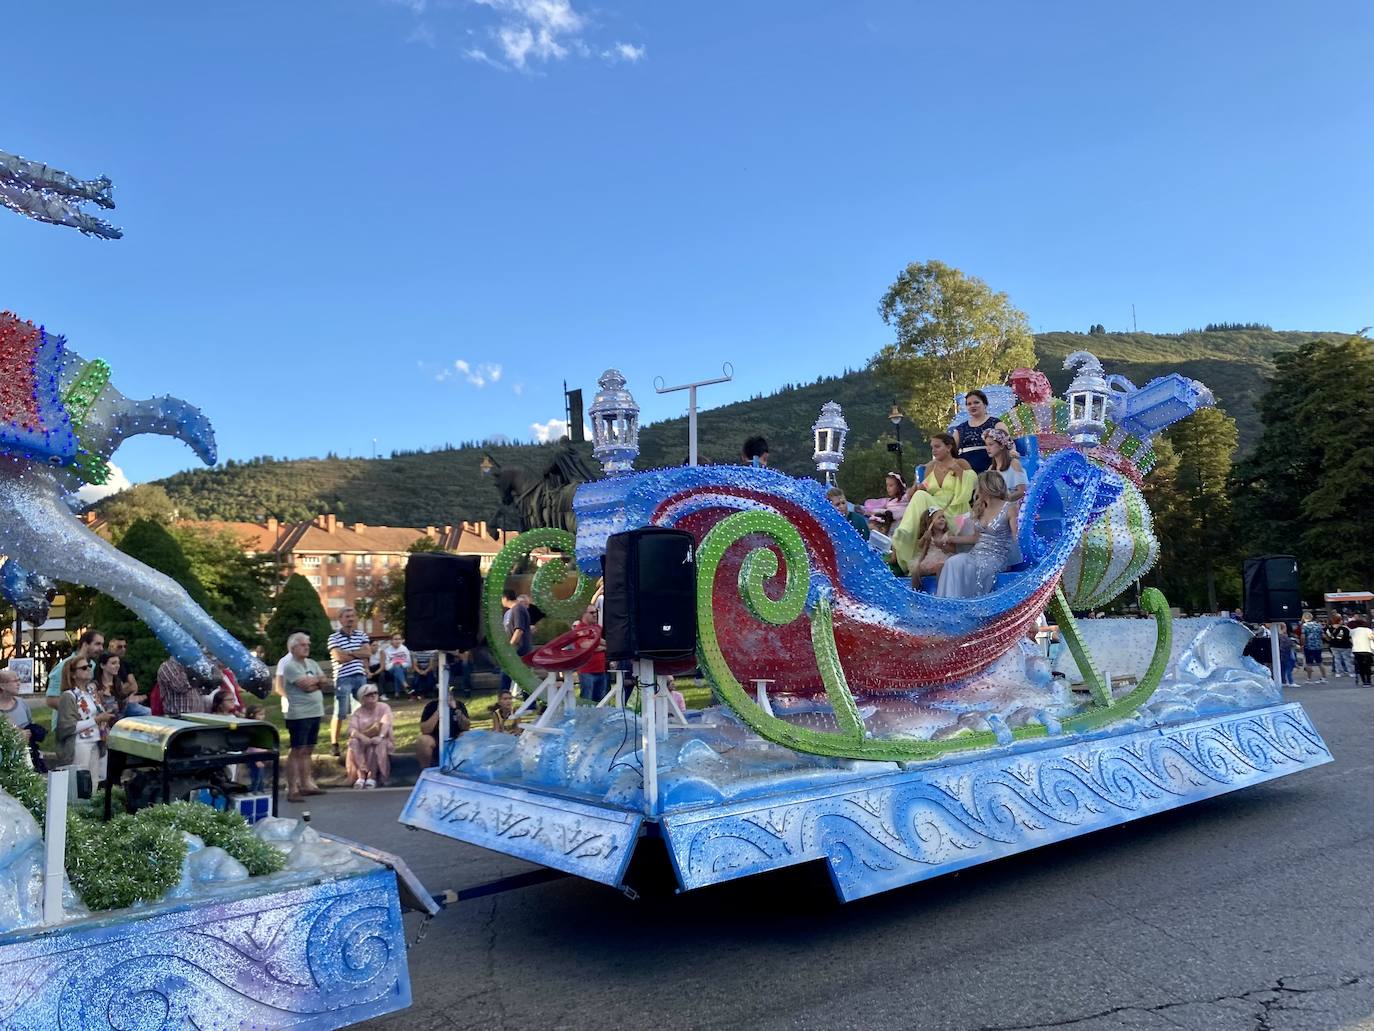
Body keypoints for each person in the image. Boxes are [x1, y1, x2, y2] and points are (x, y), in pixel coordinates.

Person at [890, 434, 976, 572]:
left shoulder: (961, 463)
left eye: (937, 446)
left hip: (953, 506)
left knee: (921, 496)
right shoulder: (930, 467)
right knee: (919, 495)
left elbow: (971, 485)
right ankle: (904, 533)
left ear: (949, 447)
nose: (934, 451)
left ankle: (903, 532)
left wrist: (958, 470)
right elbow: (922, 490)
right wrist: (915, 484)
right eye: (932, 447)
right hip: (934, 507)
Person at [935, 470, 1019, 598]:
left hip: (996, 556)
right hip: (976, 553)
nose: (977, 490)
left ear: (986, 488)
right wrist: (950, 539)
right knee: (954, 562)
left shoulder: (1010, 508)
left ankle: (973, 608)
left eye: (979, 487)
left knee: (979, 568)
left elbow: (1016, 536)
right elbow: (975, 538)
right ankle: (953, 606)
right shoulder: (981, 508)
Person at [279, 631, 327, 802]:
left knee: (308, 749)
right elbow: (306, 685)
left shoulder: (312, 663)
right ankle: (292, 788)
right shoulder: (290, 666)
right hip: (299, 714)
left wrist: (315, 682)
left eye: (308, 645)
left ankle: (307, 784)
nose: (307, 647)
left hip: (315, 711)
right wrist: (316, 682)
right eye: (303, 645)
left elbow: (324, 680)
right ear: (293, 648)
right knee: (297, 750)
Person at [56, 654, 112, 784]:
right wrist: (96, 720)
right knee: (80, 785)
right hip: (79, 745)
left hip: (97, 742)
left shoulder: (91, 693)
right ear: (73, 674)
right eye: (84, 667)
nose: (88, 669)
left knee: (94, 783)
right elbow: (67, 727)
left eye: (90, 666)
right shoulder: (68, 696)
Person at [327, 608, 371, 759]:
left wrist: (349, 654)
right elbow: (338, 657)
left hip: (360, 676)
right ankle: (334, 744)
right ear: (340, 619)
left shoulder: (362, 635)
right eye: (347, 616)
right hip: (342, 677)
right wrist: (357, 654)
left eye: (352, 616)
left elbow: (368, 653)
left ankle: (361, 740)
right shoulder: (333, 637)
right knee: (340, 711)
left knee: (362, 711)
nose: (350, 619)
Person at [44, 629, 104, 728]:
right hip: (67, 726)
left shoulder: (92, 665)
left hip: (88, 725)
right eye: (97, 644)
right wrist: (79, 711)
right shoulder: (64, 666)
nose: (101, 648)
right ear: (85, 645)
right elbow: (51, 700)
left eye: (102, 644)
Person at [347, 683, 394, 788]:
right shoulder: (358, 712)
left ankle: (371, 777)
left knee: (375, 744)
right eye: (369, 694)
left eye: (375, 693)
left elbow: (386, 724)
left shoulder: (384, 707)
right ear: (362, 698)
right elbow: (351, 729)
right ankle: (361, 776)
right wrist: (362, 737)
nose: (373, 695)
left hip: (382, 738)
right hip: (364, 740)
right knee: (354, 742)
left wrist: (380, 736)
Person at [953, 389, 1009, 474]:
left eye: (976, 402)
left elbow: (1008, 445)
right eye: (969, 404)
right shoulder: (960, 429)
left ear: (985, 404)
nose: (972, 406)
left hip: (990, 470)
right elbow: (950, 452)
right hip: (965, 472)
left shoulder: (996, 423)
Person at [417, 686, 471, 769]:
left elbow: (466, 727)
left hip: (455, 738)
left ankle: (462, 769)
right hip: (436, 738)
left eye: (450, 694)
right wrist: (439, 711)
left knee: (467, 736)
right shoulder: (431, 706)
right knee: (423, 740)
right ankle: (425, 771)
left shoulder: (459, 705)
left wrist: (456, 710)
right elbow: (425, 730)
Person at [97, 651, 150, 718]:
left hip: (120, 719)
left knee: (148, 712)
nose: (117, 666)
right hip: (105, 721)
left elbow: (123, 703)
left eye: (118, 663)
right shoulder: (96, 686)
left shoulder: (118, 683)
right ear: (102, 665)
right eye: (113, 663)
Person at [912, 509, 957, 586]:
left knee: (940, 567)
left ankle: (940, 591)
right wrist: (924, 538)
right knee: (916, 571)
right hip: (929, 559)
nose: (942, 519)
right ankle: (915, 591)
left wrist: (943, 546)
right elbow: (920, 546)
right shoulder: (930, 535)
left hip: (945, 558)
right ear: (930, 522)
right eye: (939, 518)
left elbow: (953, 549)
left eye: (943, 517)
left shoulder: (947, 534)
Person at [574, 604, 608, 701]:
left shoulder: (597, 628)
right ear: (584, 614)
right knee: (587, 701)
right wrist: (602, 645)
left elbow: (608, 643)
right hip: (587, 671)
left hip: (601, 670)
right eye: (592, 612)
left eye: (596, 612)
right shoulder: (579, 629)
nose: (595, 615)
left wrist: (594, 642)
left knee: (600, 702)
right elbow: (585, 646)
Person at [500, 590, 532, 694]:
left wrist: (510, 646)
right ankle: (505, 698)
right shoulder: (511, 611)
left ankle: (529, 704)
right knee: (509, 674)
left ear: (505, 598)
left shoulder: (518, 609)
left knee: (520, 676)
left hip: (520, 650)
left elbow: (519, 630)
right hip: (515, 650)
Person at [1299, 611, 1327, 683]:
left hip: (1308, 646)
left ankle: (1309, 679)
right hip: (1318, 646)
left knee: (1309, 663)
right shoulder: (1318, 625)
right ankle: (1324, 677)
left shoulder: (1304, 626)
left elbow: (1303, 637)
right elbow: (1323, 636)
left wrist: (1302, 645)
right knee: (1320, 662)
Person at [381, 633, 411, 699]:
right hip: (390, 670)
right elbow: (386, 666)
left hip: (403, 669)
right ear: (391, 641)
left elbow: (409, 663)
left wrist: (401, 664)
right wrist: (394, 664)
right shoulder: (387, 651)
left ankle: (397, 693)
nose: (398, 641)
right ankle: (405, 685)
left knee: (397, 671)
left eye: (399, 639)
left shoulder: (405, 649)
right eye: (395, 639)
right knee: (397, 668)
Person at [1324, 614, 1353, 678]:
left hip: (1333, 646)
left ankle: (1338, 672)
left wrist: (1331, 639)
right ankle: (1350, 672)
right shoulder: (1344, 629)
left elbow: (1327, 637)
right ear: (1339, 621)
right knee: (1347, 659)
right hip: (1345, 646)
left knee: (1337, 659)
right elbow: (1346, 637)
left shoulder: (1329, 629)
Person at [1351, 617, 1374, 687]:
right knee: (1367, 667)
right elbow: (1372, 638)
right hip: (1366, 650)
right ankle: (1369, 681)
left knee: (1360, 667)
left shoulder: (1353, 631)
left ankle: (1364, 682)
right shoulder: (1368, 630)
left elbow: (1351, 639)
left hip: (1356, 650)